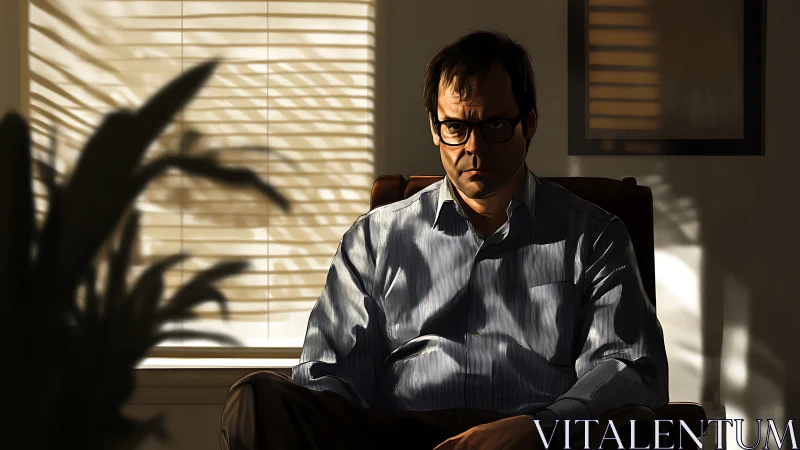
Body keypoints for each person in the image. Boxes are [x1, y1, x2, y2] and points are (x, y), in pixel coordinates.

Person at [220, 30, 669, 450]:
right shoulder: (375, 239)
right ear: (435, 128)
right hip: (400, 437)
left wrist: (541, 427)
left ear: (528, 123)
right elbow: (328, 378)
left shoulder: (593, 236)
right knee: (256, 400)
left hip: (528, 434)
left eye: (493, 125)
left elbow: (628, 367)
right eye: (455, 127)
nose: (473, 147)